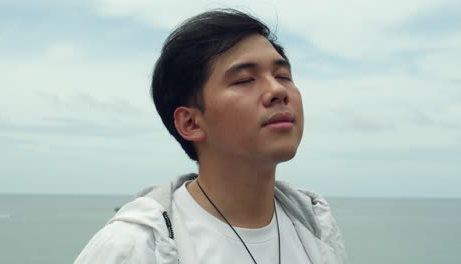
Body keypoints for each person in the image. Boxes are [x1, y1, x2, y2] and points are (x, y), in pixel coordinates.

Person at [75, 8, 348, 264]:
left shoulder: (315, 228)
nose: (278, 90)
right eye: (244, 80)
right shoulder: (134, 246)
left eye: (283, 75)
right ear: (190, 123)